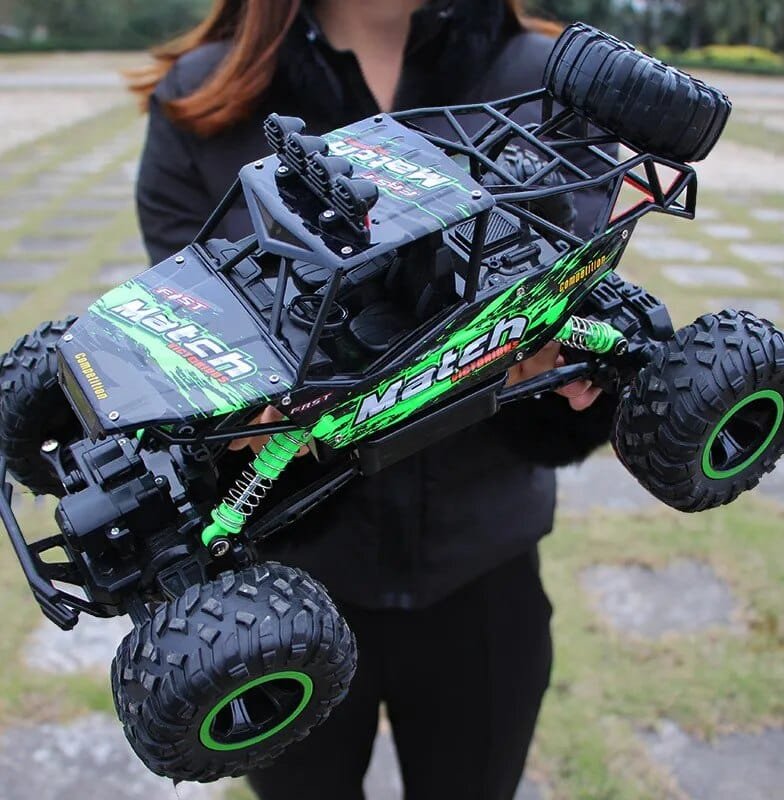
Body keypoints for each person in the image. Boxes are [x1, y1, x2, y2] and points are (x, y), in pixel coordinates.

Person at [129, 2, 616, 797]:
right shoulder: (206, 94)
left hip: (481, 571)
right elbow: (182, 322)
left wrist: (556, 369)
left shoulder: (548, 80)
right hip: (280, 584)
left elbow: (581, 296)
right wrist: (228, 421)